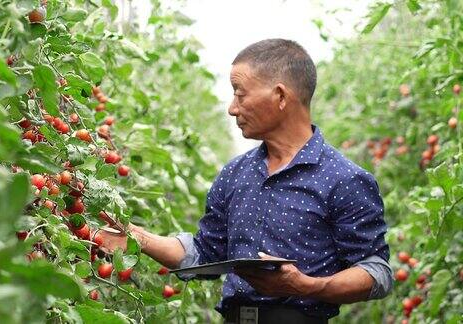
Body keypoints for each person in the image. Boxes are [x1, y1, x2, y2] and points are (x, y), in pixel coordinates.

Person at [98, 39, 392, 324]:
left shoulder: (344, 179)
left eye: (240, 94)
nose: (232, 108)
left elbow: (375, 271)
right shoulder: (235, 173)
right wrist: (137, 237)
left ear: (280, 96)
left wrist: (306, 286)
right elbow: (205, 252)